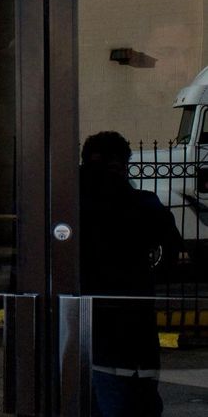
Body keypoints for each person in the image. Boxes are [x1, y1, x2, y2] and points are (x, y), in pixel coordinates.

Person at [79, 131, 182, 417]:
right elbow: (171, 248)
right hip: (131, 320)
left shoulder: (75, 203)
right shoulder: (140, 204)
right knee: (133, 397)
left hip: (95, 320)